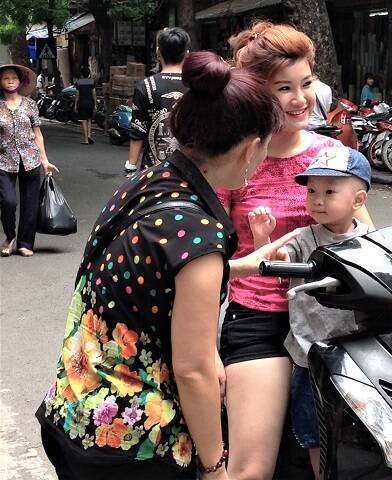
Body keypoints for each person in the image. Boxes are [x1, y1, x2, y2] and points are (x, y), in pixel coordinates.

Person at [35, 50, 294, 480]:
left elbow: (145, 276)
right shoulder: (199, 234)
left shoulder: (146, 183)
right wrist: (215, 466)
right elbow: (194, 371)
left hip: (72, 410)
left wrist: (240, 266)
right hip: (131, 443)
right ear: (251, 147)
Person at [218, 21, 374, 480]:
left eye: (306, 84)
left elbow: (367, 241)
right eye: (283, 88)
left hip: (334, 323)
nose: (300, 99)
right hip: (260, 321)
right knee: (252, 469)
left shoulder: (332, 155)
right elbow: (210, 263)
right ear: (256, 95)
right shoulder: (236, 161)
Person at [248, 145, 372, 479]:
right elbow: (280, 261)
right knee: (313, 428)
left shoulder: (371, 241)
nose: (317, 200)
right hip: (311, 353)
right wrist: (263, 238)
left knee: (361, 424)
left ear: (358, 200)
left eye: (330, 192)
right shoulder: (304, 238)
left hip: (358, 352)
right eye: (312, 191)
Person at [0, 63, 58, 257]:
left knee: (30, 203)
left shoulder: (30, 105)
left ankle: (25, 243)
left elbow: (37, 135)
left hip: (30, 159)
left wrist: (45, 161)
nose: (10, 81)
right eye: (6, 78)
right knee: (8, 201)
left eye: (14, 78)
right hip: (4, 161)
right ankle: (10, 236)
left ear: (20, 81)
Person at [125, 27, 190, 175]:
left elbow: (138, 132)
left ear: (158, 52)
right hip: (191, 173)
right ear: (187, 54)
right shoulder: (195, 85)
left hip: (153, 173)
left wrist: (130, 168)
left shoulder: (146, 86)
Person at [75, 66, 96, 145]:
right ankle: (89, 135)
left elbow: (77, 94)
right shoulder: (92, 82)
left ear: (82, 74)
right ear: (89, 74)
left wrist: (75, 104)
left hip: (82, 103)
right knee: (89, 119)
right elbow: (94, 94)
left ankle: (86, 139)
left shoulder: (79, 82)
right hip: (90, 103)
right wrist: (95, 104)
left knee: (84, 120)